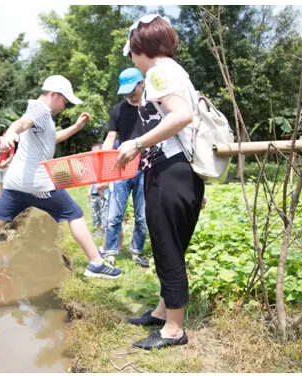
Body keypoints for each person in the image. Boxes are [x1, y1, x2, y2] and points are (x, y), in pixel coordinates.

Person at [0, 75, 122, 279]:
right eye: (64, 100)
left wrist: (75, 128)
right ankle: (96, 263)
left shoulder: (42, 115)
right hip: (36, 182)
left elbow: (51, 139)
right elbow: (21, 124)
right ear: (53, 94)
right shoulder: (40, 110)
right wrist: (10, 132)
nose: (64, 106)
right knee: (75, 214)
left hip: (16, 180)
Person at [117, 14, 205, 350]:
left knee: (167, 245)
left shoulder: (157, 71)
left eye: (132, 54)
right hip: (183, 170)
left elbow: (182, 116)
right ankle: (162, 310)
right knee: (171, 244)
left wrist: (137, 143)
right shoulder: (176, 71)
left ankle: (173, 330)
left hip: (170, 170)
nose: (134, 61)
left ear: (141, 48)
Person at [99, 67, 150, 268]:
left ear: (142, 83)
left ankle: (137, 252)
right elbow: (111, 138)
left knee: (142, 216)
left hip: (145, 167)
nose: (130, 93)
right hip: (121, 167)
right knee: (114, 215)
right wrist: (102, 168)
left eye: (133, 88)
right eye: (126, 89)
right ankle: (110, 252)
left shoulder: (152, 108)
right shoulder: (118, 110)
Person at [87, 143, 108, 239]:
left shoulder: (105, 165)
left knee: (103, 213)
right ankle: (99, 229)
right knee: (95, 214)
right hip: (93, 194)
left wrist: (101, 190)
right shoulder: (93, 166)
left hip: (102, 195)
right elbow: (92, 180)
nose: (94, 155)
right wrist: (89, 190)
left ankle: (103, 230)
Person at [0, 127, 15, 202]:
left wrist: (5, 163)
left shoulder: (11, 143)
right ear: (3, 134)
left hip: (6, 165)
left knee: (5, 182)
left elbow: (11, 156)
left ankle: (3, 199)